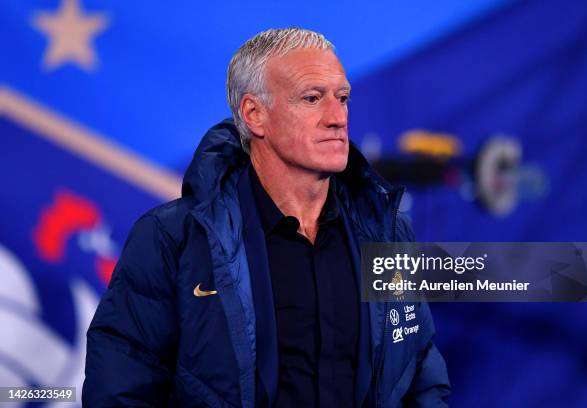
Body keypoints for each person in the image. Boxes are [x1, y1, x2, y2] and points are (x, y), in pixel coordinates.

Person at [83, 28, 450, 407]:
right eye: (312, 98)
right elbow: (120, 389)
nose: (337, 117)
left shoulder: (387, 234)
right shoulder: (171, 238)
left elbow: (418, 373)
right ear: (254, 114)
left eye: (342, 98)